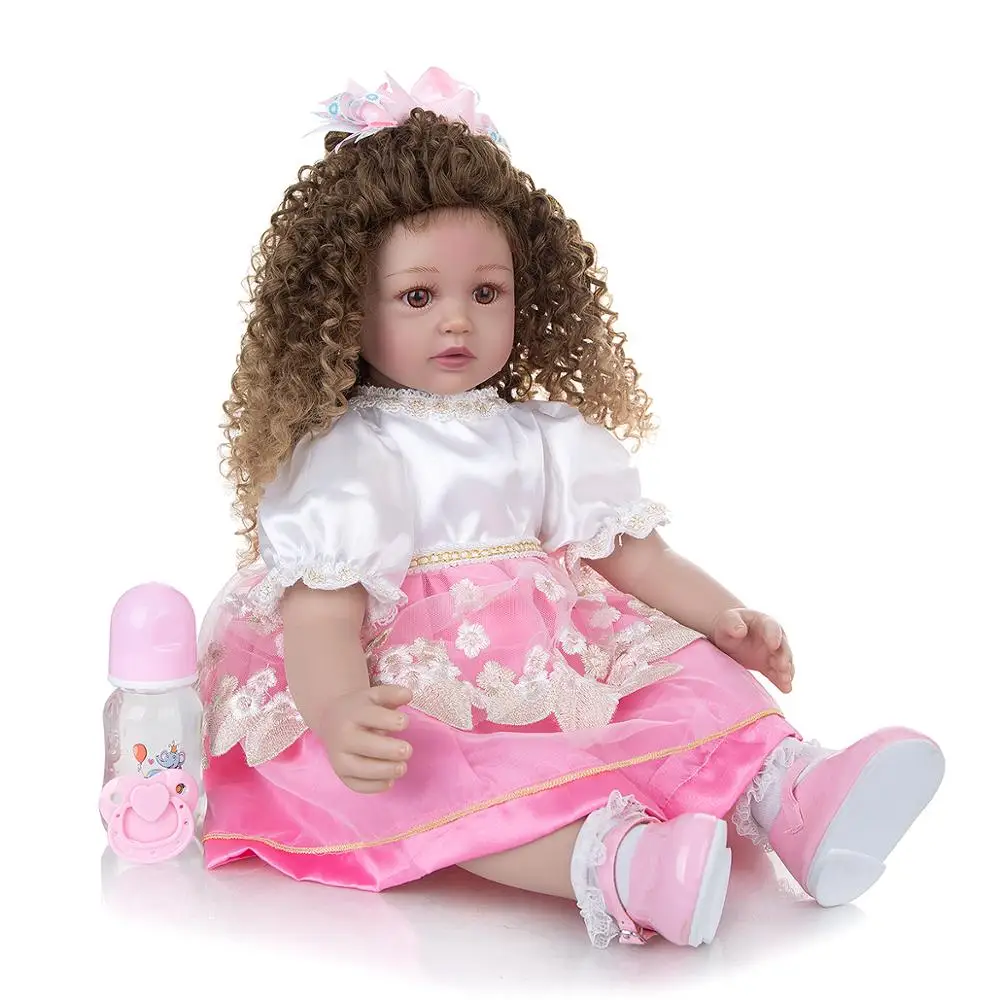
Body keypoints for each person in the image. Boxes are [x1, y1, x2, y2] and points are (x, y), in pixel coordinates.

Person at [196, 67, 944, 949]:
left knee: (693, 672)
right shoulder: (353, 456)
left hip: (555, 651)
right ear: (345, 309)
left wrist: (724, 617)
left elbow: (635, 557)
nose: (457, 322)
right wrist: (336, 709)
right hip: (415, 676)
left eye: (486, 293)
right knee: (445, 773)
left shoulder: (546, 437)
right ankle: (622, 867)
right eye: (418, 296)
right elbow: (322, 613)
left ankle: (797, 797)